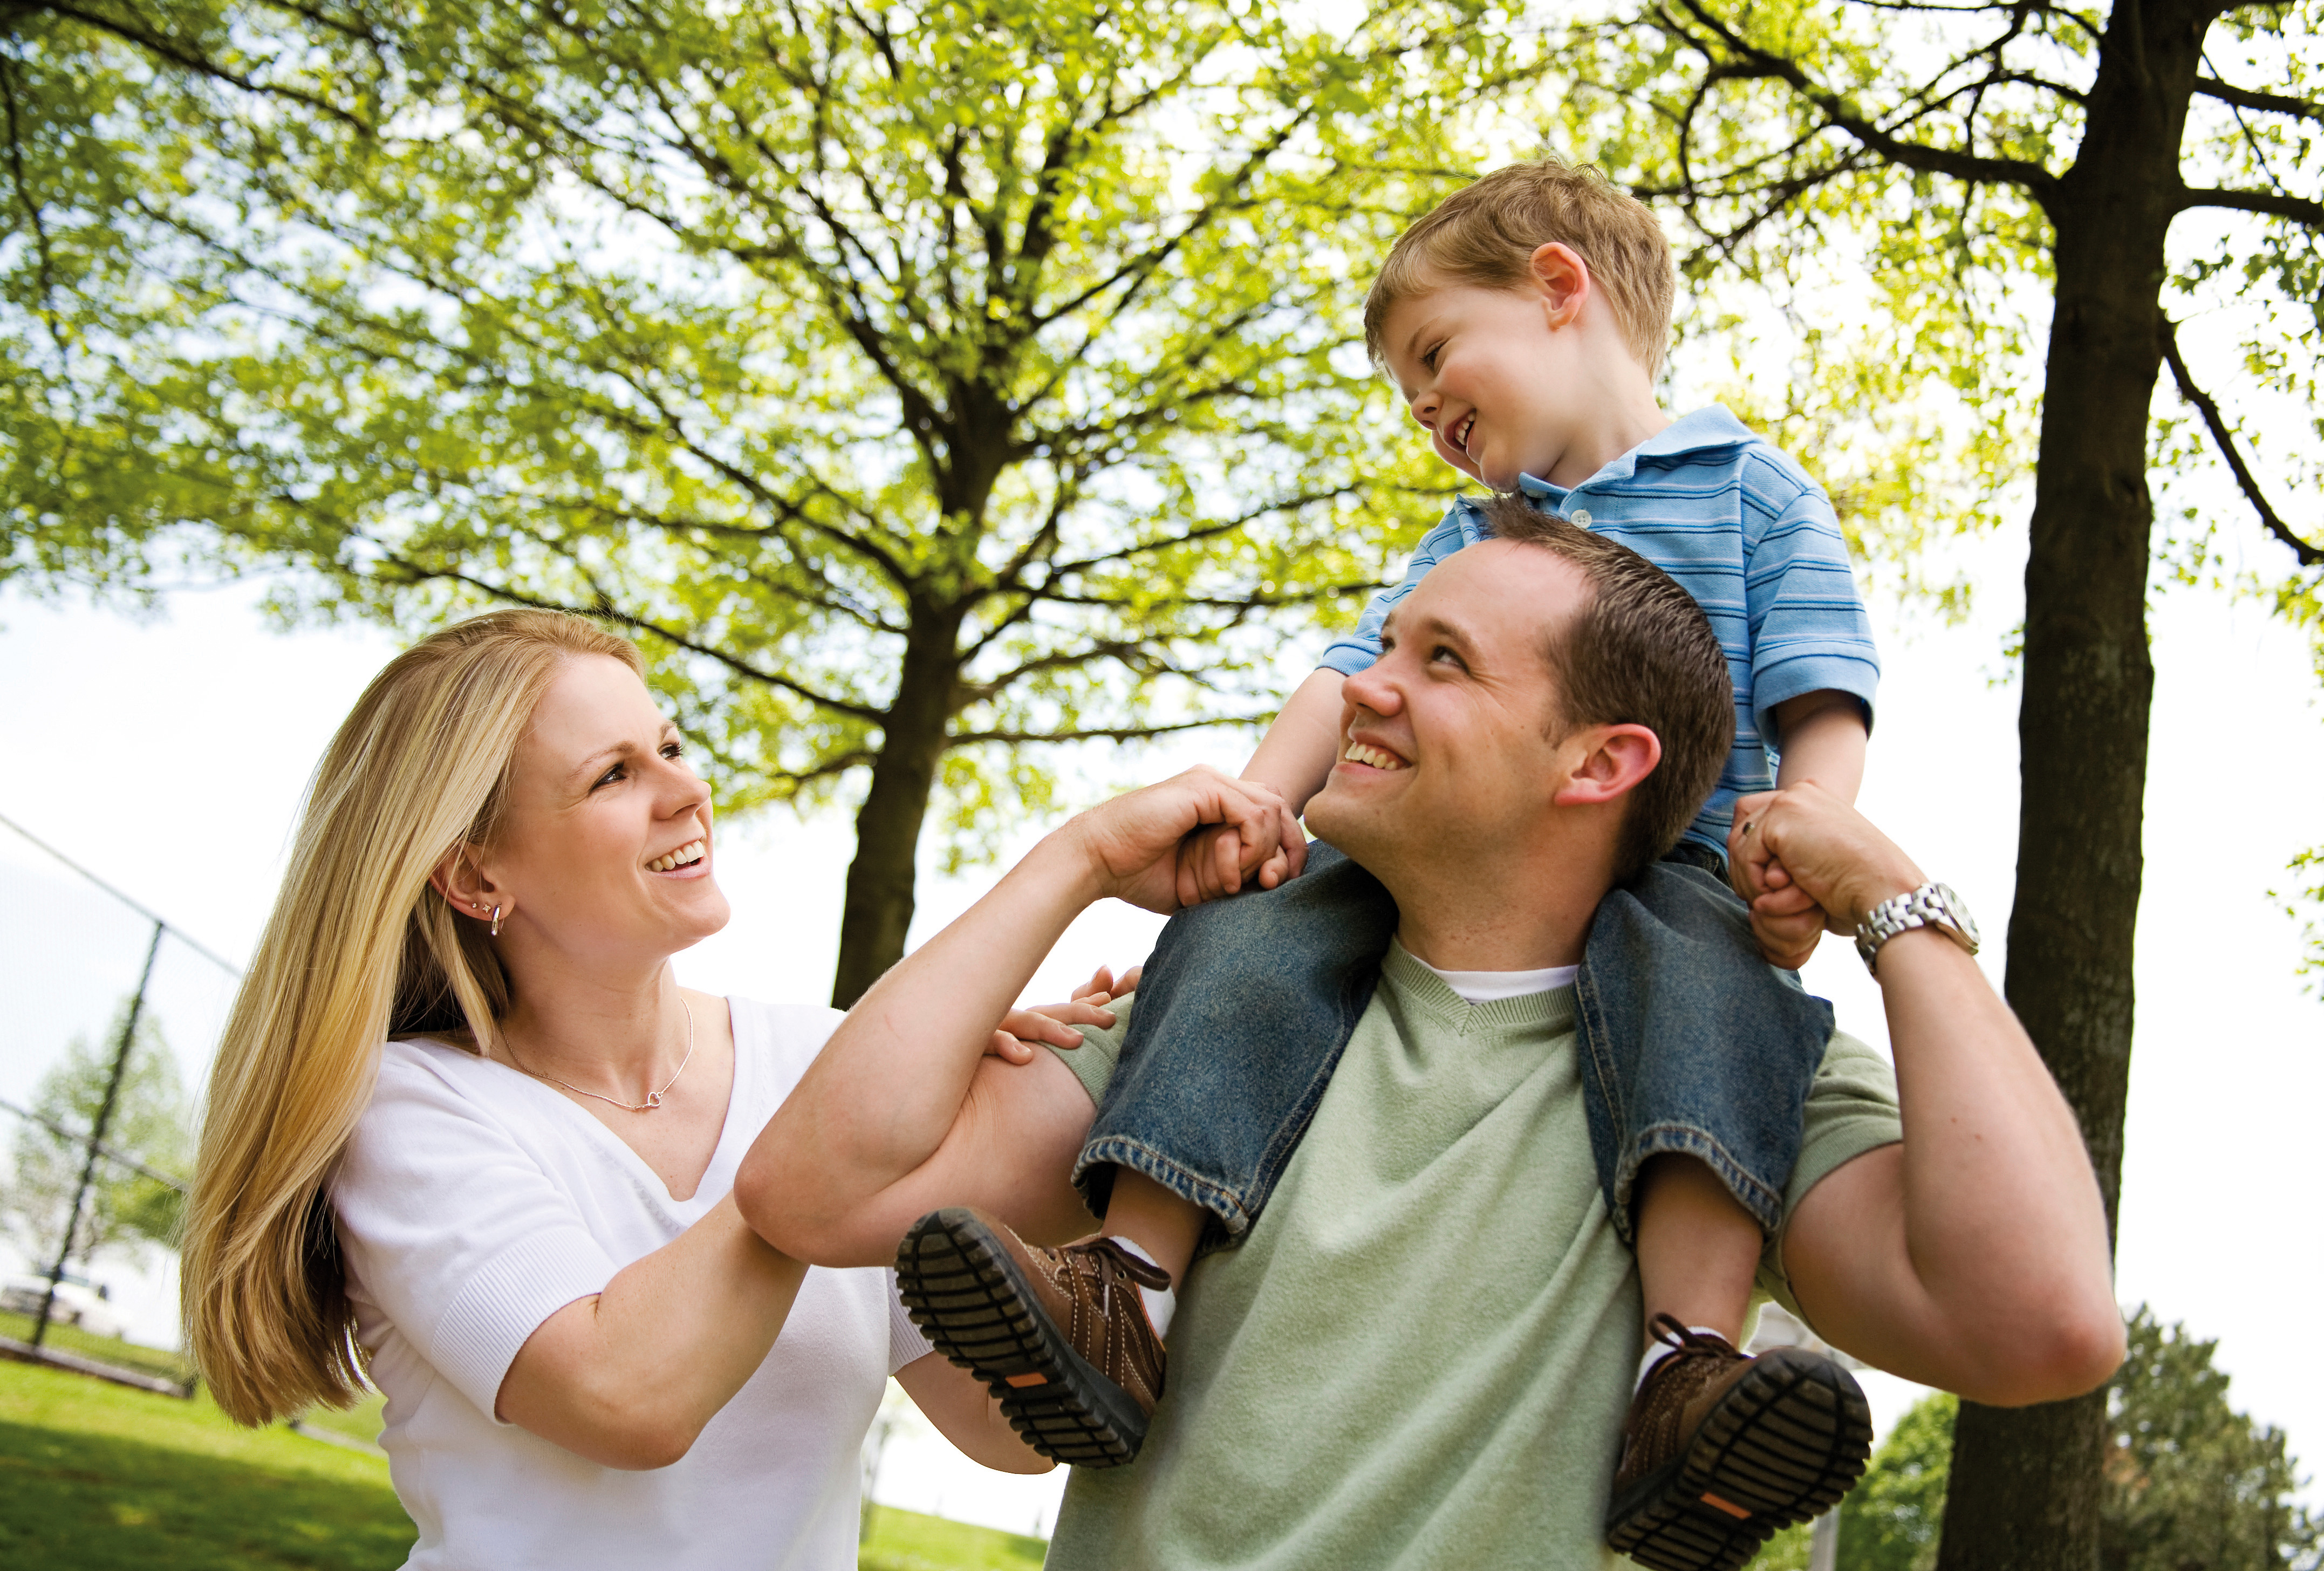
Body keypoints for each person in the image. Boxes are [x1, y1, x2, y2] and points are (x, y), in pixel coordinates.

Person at [740, 525, 2124, 1570]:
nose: (1362, 691)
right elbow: (815, 1192)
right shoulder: (1217, 1012)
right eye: (1385, 645)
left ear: (1597, 763)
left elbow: (2046, 1324)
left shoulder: (1737, 1070)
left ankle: (1679, 1369)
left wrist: (1894, 902)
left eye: (1439, 661)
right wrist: (1078, 858)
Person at [878, 158, 1886, 1550]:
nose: (1426, 412)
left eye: (1433, 356)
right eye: (1410, 393)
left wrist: (1805, 841)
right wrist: (1256, 813)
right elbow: (1343, 680)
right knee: (1241, 941)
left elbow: (1821, 691)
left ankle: (1685, 1373)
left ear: (1556, 290)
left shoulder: (1753, 492)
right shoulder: (1469, 535)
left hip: (1684, 871)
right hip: (1436, 871)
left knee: (1715, 1017)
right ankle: (1124, 1290)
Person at [178, 609, 1116, 1570]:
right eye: (614, 775)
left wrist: (1086, 1144)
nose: (689, 790)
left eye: (670, 746)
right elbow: (626, 1398)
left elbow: (1011, 1432)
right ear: (474, 872)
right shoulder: (407, 1110)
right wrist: (1074, 863)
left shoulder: (819, 1061)